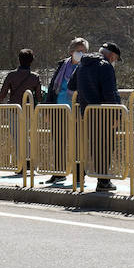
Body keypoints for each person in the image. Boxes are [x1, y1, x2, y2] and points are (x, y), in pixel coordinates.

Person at [69, 41, 122, 192]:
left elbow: (72, 85)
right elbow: (110, 92)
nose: (115, 62)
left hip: (86, 112)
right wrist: (116, 114)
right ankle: (103, 180)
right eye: (116, 59)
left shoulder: (82, 64)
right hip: (104, 112)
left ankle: (97, 177)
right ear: (111, 55)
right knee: (106, 146)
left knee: (93, 146)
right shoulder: (105, 66)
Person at [43, 37, 89, 185]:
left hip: (77, 110)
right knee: (58, 141)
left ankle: (79, 173)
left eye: (83, 51)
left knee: (78, 142)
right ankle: (59, 172)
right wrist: (47, 110)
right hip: (59, 108)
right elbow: (52, 87)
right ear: (71, 51)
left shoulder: (87, 66)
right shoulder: (63, 65)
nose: (80, 53)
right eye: (78, 51)